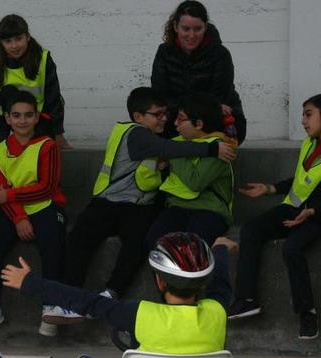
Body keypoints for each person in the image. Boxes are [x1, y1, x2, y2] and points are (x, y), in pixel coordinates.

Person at [2, 232, 236, 358]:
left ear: (160, 281)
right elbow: (222, 281)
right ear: (204, 280)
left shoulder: (140, 314)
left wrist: (29, 283)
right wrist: (221, 248)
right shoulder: (217, 312)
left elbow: (86, 301)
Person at [63, 87, 236, 308]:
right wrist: (189, 150)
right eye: (158, 114)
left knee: (172, 246)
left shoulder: (213, 146)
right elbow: (166, 148)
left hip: (168, 208)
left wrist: (176, 154)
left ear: (199, 124)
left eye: (170, 115)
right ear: (138, 116)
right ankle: (66, 301)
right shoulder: (138, 133)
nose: (169, 120)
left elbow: (188, 178)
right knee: (88, 240)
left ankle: (119, 293)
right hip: (112, 202)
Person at [227, 94, 321, 340]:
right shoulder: (309, 144)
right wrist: (269, 188)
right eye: (303, 115)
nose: (303, 121)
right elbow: (300, 180)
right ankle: (246, 299)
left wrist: (312, 211)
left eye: (308, 114)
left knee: (292, 248)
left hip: (316, 216)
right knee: (251, 230)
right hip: (294, 209)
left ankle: (307, 313)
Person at [0, 90, 69, 337]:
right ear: (7, 118)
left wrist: (10, 196)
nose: (22, 121)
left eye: (28, 115)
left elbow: (47, 187)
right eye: (16, 115)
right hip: (14, 212)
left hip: (46, 206)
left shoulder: (47, 145)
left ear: (36, 117)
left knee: (54, 245)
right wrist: (18, 217)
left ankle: (51, 306)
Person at [145, 92, 234, 249]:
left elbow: (195, 182)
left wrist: (174, 152)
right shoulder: (177, 142)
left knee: (192, 249)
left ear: (199, 124)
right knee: (155, 243)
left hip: (209, 211)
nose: (175, 124)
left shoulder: (221, 147)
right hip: (176, 207)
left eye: (180, 119)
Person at [151, 0, 246, 144]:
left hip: (212, 117)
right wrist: (184, 115)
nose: (192, 35)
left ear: (205, 27)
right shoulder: (164, 52)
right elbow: (160, 93)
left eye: (197, 29)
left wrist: (192, 119)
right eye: (186, 28)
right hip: (177, 115)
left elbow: (219, 96)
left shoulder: (220, 54)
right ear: (176, 27)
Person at [0, 14, 67, 149]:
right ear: (1, 42)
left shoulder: (42, 59)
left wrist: (58, 133)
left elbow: (53, 97)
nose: (14, 46)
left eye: (18, 39)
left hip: (41, 121)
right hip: (16, 124)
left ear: (28, 37)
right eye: (8, 41)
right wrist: (2, 139)